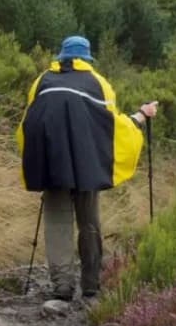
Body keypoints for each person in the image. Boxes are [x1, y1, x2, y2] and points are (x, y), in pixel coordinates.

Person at [15, 35, 157, 300]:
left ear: (62, 56)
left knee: (57, 223)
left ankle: (62, 286)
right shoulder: (98, 83)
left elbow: (27, 124)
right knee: (89, 222)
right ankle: (90, 284)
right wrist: (140, 116)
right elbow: (113, 127)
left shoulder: (41, 81)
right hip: (86, 166)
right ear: (87, 58)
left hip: (50, 164)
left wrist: (34, 159)